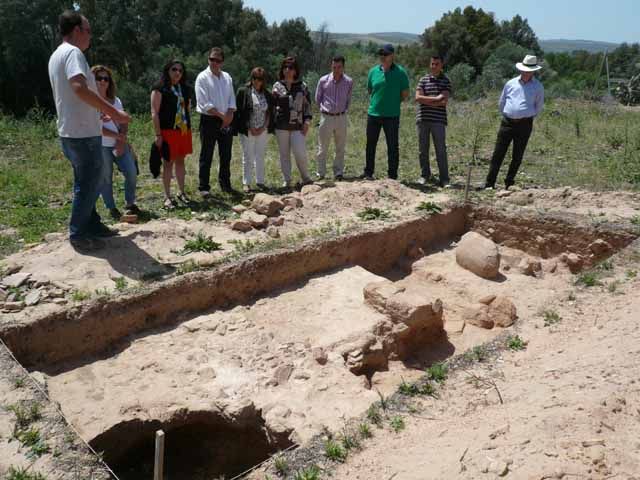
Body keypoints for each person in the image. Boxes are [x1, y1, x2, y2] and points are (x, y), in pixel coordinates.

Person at [48, 10, 130, 251]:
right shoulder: (73, 53)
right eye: (88, 30)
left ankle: (93, 224)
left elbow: (73, 96)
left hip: (71, 131)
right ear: (77, 31)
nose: (90, 36)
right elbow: (78, 88)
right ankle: (78, 233)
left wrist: (97, 112)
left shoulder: (57, 55)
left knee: (87, 181)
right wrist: (114, 113)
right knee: (89, 184)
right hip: (82, 134)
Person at [484, 55, 544, 190]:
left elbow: (538, 106)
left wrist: (525, 116)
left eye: (529, 70)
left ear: (533, 71)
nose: (526, 72)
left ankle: (509, 183)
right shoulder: (510, 83)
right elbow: (502, 102)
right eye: (524, 70)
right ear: (521, 69)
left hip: (525, 124)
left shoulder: (538, 87)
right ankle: (489, 183)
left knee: (518, 155)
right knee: (498, 154)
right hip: (507, 123)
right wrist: (510, 113)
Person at [92, 65, 140, 219]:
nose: (102, 82)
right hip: (101, 145)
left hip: (119, 143)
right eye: (99, 78)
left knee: (131, 172)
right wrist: (118, 136)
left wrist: (121, 139)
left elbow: (124, 121)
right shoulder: (89, 102)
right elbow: (95, 128)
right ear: (92, 80)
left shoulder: (116, 101)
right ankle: (111, 208)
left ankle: (130, 203)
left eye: (106, 78)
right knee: (106, 178)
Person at [362, 44, 410, 180]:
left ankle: (392, 176)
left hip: (392, 116)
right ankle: (368, 172)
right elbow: (370, 90)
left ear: (392, 56)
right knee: (370, 144)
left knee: (393, 146)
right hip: (373, 114)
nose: (383, 57)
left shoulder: (400, 73)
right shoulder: (373, 72)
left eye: (386, 54)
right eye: (381, 54)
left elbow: (405, 94)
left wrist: (392, 103)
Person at [151, 59, 193, 209]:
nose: (177, 73)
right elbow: (154, 113)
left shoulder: (185, 88)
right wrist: (158, 135)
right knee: (168, 163)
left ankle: (181, 192)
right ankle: (167, 196)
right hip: (167, 131)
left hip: (182, 130)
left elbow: (187, 109)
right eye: (174, 69)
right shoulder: (159, 88)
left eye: (180, 71)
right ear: (167, 70)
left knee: (181, 161)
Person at [195, 47, 236, 195]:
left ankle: (225, 184)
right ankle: (204, 187)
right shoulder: (202, 77)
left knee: (226, 155)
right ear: (208, 60)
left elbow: (232, 99)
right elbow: (204, 103)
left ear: (222, 62)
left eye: (218, 60)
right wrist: (222, 116)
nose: (214, 62)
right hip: (209, 120)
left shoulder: (227, 77)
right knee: (207, 154)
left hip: (226, 119)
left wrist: (229, 115)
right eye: (212, 59)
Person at [272, 56, 313, 189]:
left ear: (296, 70)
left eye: (291, 68)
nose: (288, 70)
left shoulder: (302, 86)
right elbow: (273, 106)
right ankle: (287, 180)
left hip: (298, 126)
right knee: (284, 154)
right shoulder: (277, 86)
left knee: (300, 152)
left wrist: (307, 121)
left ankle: (305, 177)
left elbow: (307, 105)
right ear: (282, 70)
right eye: (285, 67)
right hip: (281, 126)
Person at [234, 67, 274, 192]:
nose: (257, 81)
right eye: (255, 78)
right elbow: (239, 112)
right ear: (251, 78)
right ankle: (246, 183)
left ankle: (260, 182)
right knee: (248, 156)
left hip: (262, 130)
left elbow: (269, 112)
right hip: (248, 130)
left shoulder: (267, 94)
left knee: (260, 155)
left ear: (263, 80)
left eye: (260, 79)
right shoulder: (243, 91)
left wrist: (263, 127)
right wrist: (250, 127)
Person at [314, 55, 353, 181]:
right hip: (327, 117)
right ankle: (321, 173)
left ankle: (338, 172)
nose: (336, 69)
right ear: (331, 66)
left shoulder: (348, 81)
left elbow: (348, 98)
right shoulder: (323, 80)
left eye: (339, 67)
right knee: (323, 147)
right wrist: (324, 110)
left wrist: (344, 111)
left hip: (341, 117)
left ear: (343, 67)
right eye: (334, 67)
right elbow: (317, 98)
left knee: (340, 147)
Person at [415, 55, 452, 187]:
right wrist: (436, 99)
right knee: (422, 149)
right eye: (432, 64)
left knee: (441, 149)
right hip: (423, 119)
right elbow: (417, 98)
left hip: (438, 120)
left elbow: (444, 101)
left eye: (437, 64)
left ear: (442, 65)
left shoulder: (446, 81)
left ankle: (444, 179)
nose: (434, 66)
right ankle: (425, 175)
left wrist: (427, 100)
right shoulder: (423, 80)